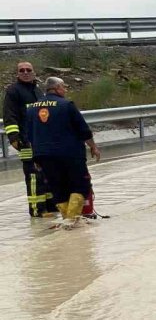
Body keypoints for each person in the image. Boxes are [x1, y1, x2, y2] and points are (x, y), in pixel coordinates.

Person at [24, 77, 101, 229]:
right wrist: (93, 146)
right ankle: (72, 221)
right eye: (64, 87)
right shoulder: (66, 105)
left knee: (58, 188)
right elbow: (83, 130)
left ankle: (67, 221)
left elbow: (30, 134)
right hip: (70, 154)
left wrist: (36, 157)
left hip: (43, 155)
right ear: (58, 87)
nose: (65, 90)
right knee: (80, 186)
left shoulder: (32, 108)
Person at [3, 61, 56, 217]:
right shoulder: (13, 92)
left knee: (47, 174)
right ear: (18, 73)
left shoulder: (39, 91)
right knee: (34, 176)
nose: (25, 72)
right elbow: (9, 116)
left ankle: (51, 207)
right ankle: (37, 210)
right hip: (26, 142)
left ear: (33, 72)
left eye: (28, 70)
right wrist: (14, 137)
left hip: (43, 141)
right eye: (22, 70)